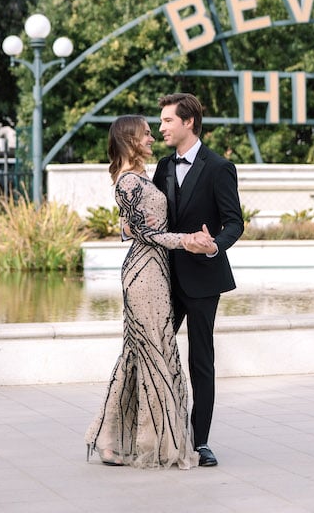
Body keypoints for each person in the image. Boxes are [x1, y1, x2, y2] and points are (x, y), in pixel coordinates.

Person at [84, 115, 200, 470]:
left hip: (157, 271)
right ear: (130, 139)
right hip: (142, 273)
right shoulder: (127, 182)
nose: (152, 137)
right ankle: (135, 441)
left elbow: (132, 227)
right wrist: (186, 241)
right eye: (146, 133)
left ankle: (116, 440)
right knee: (149, 354)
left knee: (146, 353)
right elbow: (144, 233)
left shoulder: (142, 177)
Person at [152, 92, 244, 468]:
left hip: (205, 280)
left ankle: (200, 441)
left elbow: (234, 222)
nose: (161, 128)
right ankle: (155, 434)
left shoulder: (219, 167)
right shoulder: (162, 166)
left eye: (167, 121)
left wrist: (212, 247)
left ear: (188, 122)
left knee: (200, 362)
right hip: (165, 279)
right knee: (153, 352)